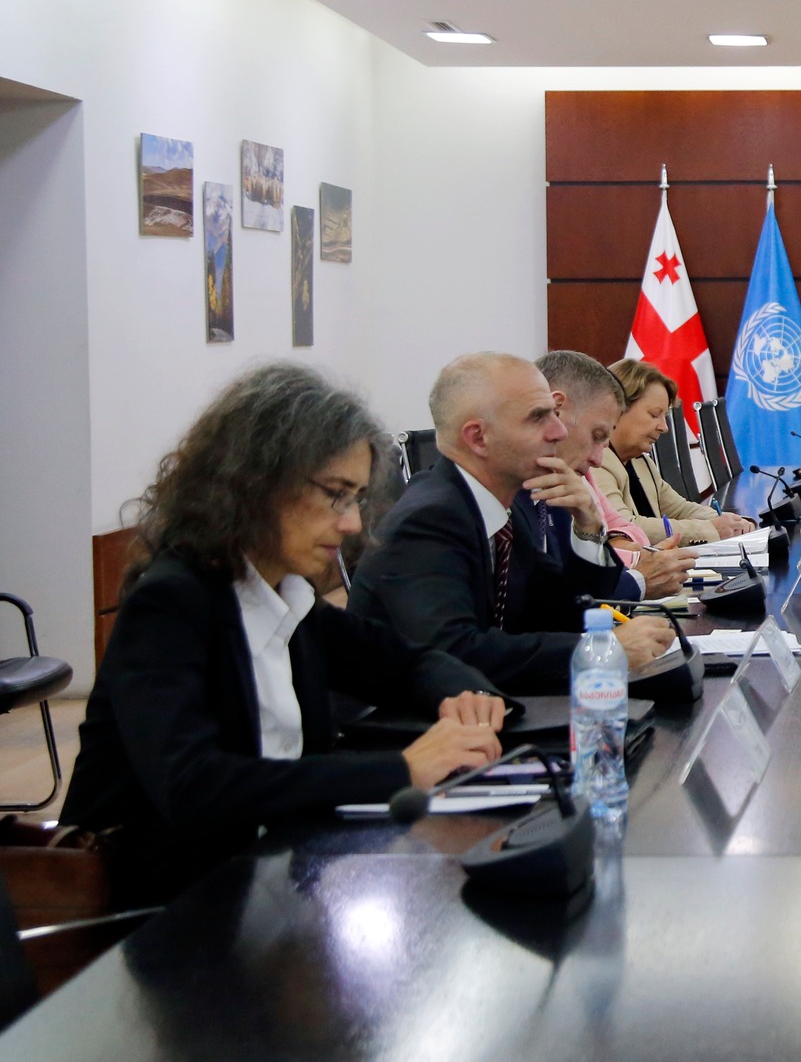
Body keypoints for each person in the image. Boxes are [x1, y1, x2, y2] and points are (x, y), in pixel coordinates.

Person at [61, 364, 508, 904]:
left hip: (269, 881)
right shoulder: (173, 603)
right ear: (258, 484)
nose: (351, 523)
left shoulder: (287, 598)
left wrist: (465, 696)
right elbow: (193, 786)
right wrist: (403, 769)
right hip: (162, 907)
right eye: (336, 495)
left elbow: (407, 661)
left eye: (356, 498)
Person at [349, 352, 675, 693]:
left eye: (554, 414)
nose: (559, 430)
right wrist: (599, 650)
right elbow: (453, 654)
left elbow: (561, 614)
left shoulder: (502, 512)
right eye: (538, 417)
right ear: (478, 438)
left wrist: (589, 528)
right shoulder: (429, 520)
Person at [534, 351, 695, 600]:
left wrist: (595, 534)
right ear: (556, 410)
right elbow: (553, 600)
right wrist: (638, 576)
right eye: (597, 435)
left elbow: (569, 598)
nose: (597, 460)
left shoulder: (567, 479)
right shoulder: (527, 491)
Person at [596, 358, 755, 544]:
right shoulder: (595, 463)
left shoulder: (640, 461)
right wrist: (710, 529)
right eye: (655, 415)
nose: (664, 427)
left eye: (664, 416)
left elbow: (679, 509)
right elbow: (627, 528)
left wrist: (731, 522)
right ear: (618, 408)